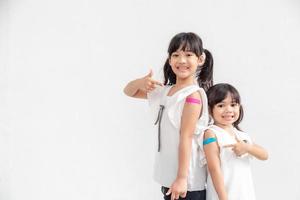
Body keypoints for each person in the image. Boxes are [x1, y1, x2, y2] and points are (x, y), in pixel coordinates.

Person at [123, 32, 213, 200]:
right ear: (170, 60)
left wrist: (181, 178)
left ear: (200, 59)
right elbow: (129, 91)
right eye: (176, 55)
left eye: (188, 55)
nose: (182, 60)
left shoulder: (192, 96)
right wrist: (141, 82)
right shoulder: (164, 91)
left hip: (187, 183)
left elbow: (185, 137)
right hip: (169, 178)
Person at [202, 83, 268, 200]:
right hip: (223, 196)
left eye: (233, 105)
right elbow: (214, 169)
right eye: (221, 105)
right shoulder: (211, 133)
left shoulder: (242, 136)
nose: (228, 110)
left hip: (245, 194)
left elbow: (264, 155)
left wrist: (247, 148)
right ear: (210, 109)